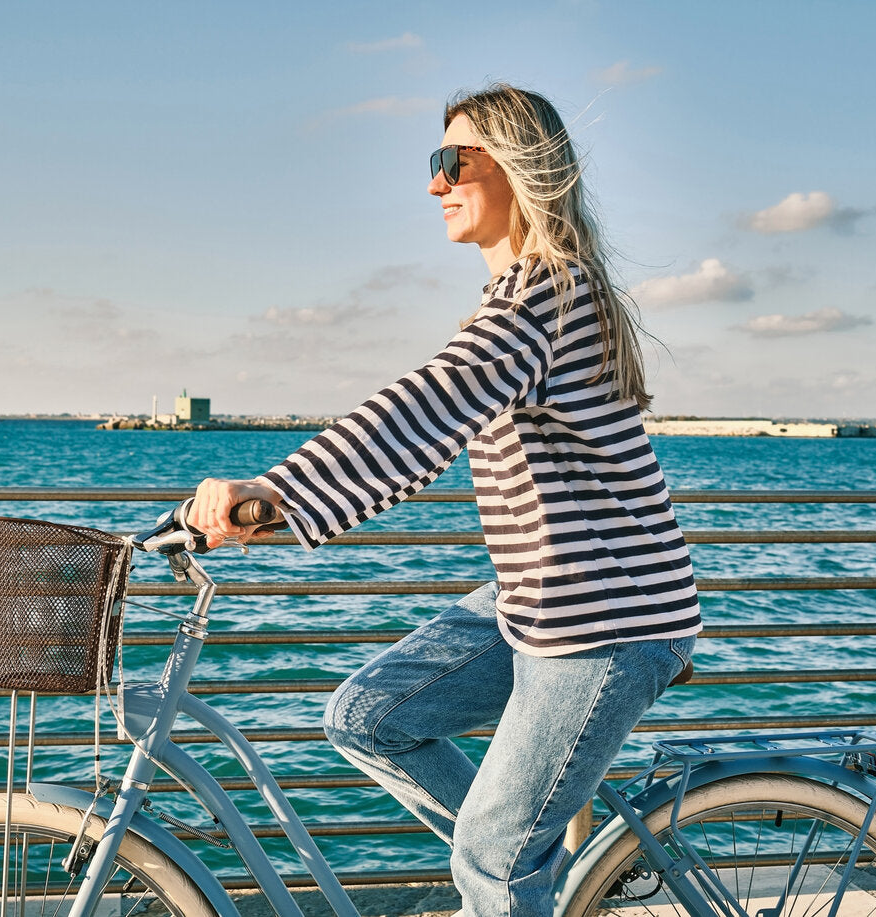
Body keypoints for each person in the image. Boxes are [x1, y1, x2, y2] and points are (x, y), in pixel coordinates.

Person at [188, 82, 700, 917]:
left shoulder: (545, 293)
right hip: (540, 601)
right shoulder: (525, 297)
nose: (434, 185)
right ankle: (524, 877)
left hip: (604, 621)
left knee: (493, 859)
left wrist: (275, 491)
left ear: (519, 163)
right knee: (368, 715)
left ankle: (506, 877)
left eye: (450, 160)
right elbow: (431, 418)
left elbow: (422, 407)